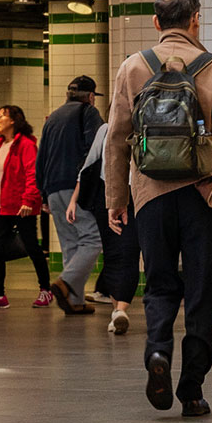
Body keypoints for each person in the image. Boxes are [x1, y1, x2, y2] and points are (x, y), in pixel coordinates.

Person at [105, 0, 212, 418]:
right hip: (204, 194)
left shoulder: (133, 67)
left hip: (150, 195)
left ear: (156, 23)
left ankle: (158, 352)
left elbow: (116, 138)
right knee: (200, 289)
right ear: (196, 19)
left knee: (158, 284)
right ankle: (192, 388)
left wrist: (117, 198)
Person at [35, 73, 104, 316]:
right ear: (91, 97)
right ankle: (65, 282)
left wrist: (43, 193)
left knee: (70, 244)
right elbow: (94, 149)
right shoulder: (88, 113)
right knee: (93, 239)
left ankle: (74, 300)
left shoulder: (52, 117)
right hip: (76, 187)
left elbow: (41, 157)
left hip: (53, 188)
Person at [0, 104, 52, 309]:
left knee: (32, 246)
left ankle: (45, 289)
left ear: (14, 121)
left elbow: (32, 174)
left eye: (2, 117)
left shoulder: (26, 145)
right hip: (0, 206)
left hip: (20, 206)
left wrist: (29, 199)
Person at [72, 115, 137, 337]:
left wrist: (74, 200)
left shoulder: (107, 129)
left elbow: (88, 166)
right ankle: (119, 309)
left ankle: (118, 310)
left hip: (110, 196)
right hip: (132, 196)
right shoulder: (112, 128)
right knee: (126, 253)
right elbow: (89, 166)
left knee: (116, 254)